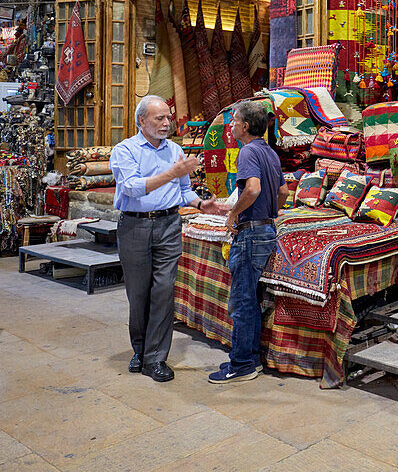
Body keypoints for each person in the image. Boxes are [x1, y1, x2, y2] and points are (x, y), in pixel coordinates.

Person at [110, 95, 218, 382]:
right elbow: (132, 188)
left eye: (168, 117)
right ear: (141, 120)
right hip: (135, 226)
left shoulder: (175, 150)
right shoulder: (125, 150)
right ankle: (141, 350)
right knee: (138, 293)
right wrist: (172, 172)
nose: (167, 123)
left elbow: (183, 189)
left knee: (163, 290)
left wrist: (199, 204)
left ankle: (156, 358)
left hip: (169, 224)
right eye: (159, 118)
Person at [209, 100, 286, 384]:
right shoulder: (270, 153)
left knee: (241, 301)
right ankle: (250, 359)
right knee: (250, 299)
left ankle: (240, 364)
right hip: (266, 231)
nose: (230, 126)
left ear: (245, 126)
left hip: (251, 234)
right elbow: (283, 192)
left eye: (233, 121)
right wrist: (271, 214)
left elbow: (252, 189)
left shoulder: (247, 152)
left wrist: (233, 214)